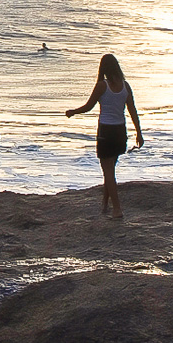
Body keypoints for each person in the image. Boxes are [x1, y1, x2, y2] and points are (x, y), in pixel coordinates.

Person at [65, 53, 143, 219]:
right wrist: (139, 133)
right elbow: (132, 111)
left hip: (106, 131)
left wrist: (73, 112)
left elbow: (88, 106)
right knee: (110, 170)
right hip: (121, 131)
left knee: (108, 172)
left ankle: (117, 209)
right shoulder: (125, 86)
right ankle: (105, 204)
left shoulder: (102, 85)